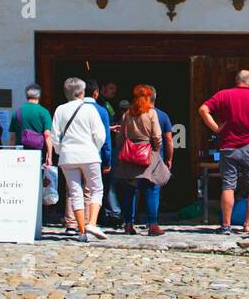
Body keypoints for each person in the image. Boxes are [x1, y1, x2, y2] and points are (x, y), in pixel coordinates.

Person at [198, 69, 249, 236]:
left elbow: (203, 109)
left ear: (236, 80)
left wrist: (216, 129)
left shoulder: (223, 95)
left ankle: (226, 226)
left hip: (228, 147)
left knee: (228, 185)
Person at [51, 77, 107, 242]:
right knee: (96, 189)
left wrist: (61, 150)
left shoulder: (60, 109)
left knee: (75, 193)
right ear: (82, 92)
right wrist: (94, 149)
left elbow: (55, 136)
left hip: (68, 155)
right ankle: (92, 223)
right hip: (88, 154)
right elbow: (100, 135)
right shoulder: (90, 110)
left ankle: (82, 231)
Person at [114, 85, 166, 236]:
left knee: (130, 189)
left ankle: (128, 224)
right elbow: (157, 136)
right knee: (151, 188)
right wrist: (155, 149)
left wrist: (124, 149)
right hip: (147, 152)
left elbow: (120, 137)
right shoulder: (151, 113)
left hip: (130, 154)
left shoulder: (127, 114)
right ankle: (152, 225)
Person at [85, 79, 120, 225]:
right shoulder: (100, 106)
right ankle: (107, 214)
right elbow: (102, 132)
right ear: (100, 90)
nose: (114, 91)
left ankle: (79, 221)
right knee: (98, 186)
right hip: (96, 151)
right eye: (111, 88)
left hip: (81, 154)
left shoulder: (107, 105)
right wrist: (107, 158)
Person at [14, 83, 53, 164]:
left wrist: (12, 154)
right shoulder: (44, 112)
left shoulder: (17, 112)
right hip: (38, 153)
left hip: (20, 155)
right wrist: (49, 157)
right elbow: (47, 135)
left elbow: (12, 137)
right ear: (39, 96)